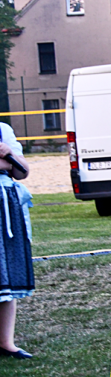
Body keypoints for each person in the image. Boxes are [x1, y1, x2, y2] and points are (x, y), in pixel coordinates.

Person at [0, 122, 34, 364]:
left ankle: (6, 342)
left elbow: (22, 171)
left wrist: (8, 154)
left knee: (7, 275)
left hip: (5, 207)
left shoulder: (3, 129)